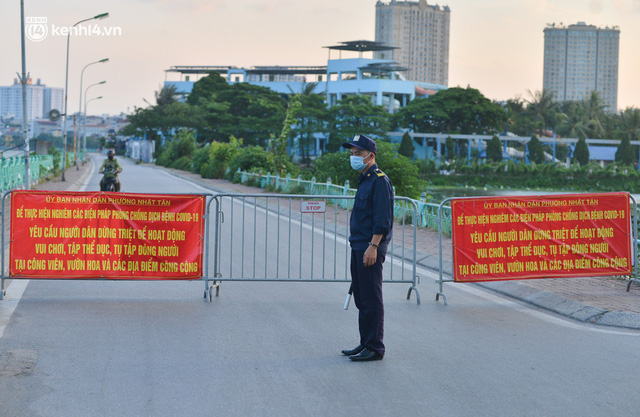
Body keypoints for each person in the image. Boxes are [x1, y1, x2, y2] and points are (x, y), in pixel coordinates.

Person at [341, 134, 394, 362]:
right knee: (362, 297)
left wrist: (373, 246)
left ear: (370, 156)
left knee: (371, 297)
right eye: (351, 153)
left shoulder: (380, 180)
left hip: (370, 246)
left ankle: (374, 346)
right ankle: (365, 342)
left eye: (358, 154)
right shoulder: (365, 179)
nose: (353, 157)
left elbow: (383, 218)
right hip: (359, 244)